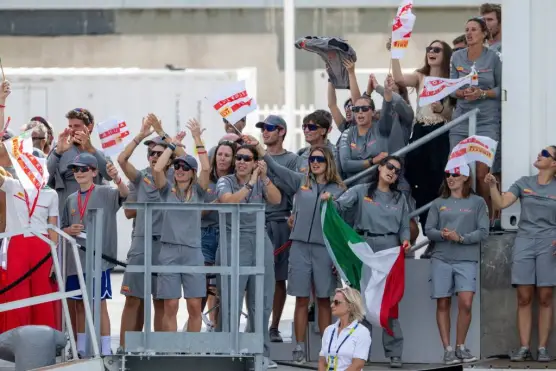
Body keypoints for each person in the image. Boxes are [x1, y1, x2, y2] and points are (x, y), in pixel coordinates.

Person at [251, 138, 345, 365]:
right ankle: (299, 347)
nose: (315, 163)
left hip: (324, 249)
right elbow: (277, 169)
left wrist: (333, 202)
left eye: (319, 159)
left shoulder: (339, 189)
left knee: (324, 300)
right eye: (312, 159)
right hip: (300, 247)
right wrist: (260, 150)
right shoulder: (301, 181)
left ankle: (327, 350)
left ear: (328, 162)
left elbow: (344, 219)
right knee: (301, 299)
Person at [323, 155, 410, 368]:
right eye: (389, 166)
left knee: (388, 303)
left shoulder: (400, 198)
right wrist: (328, 200)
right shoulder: (361, 190)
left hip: (388, 252)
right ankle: (362, 353)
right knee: (360, 303)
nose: (392, 172)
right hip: (364, 249)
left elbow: (404, 226)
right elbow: (340, 206)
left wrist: (406, 239)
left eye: (397, 170)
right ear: (380, 167)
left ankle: (394, 353)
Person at [485, 146, 556, 362]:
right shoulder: (524, 182)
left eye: (545, 154)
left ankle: (542, 349)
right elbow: (501, 203)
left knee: (545, 298)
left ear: (554, 163)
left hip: (549, 243)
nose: (539, 155)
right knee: (524, 297)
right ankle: (524, 348)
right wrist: (492, 186)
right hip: (524, 241)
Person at [216, 144, 281, 368]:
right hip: (233, 240)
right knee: (230, 300)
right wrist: (251, 182)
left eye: (247, 158)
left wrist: (264, 178)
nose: (242, 162)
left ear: (255, 162)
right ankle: (226, 351)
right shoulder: (226, 181)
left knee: (261, 300)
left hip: (259, 239)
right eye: (239, 158)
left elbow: (276, 199)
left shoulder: (260, 179)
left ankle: (259, 352)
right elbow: (228, 200)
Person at [116, 115, 177, 351]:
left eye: (159, 153)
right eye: (150, 153)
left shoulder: (177, 176)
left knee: (160, 300)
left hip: (165, 244)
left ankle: (159, 352)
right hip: (141, 244)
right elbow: (122, 159)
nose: (153, 156)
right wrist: (141, 134)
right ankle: (125, 351)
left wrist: (164, 135)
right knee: (132, 299)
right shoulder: (141, 177)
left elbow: (185, 157)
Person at [61, 154, 129, 357]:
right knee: (80, 305)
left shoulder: (106, 192)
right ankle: (81, 349)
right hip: (76, 261)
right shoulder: (71, 199)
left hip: (99, 261)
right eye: (75, 170)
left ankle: (106, 348)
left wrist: (117, 177)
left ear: (94, 172)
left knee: (100, 304)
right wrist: (68, 229)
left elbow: (125, 194)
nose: (79, 173)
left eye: (83, 169)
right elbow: (62, 227)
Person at [425, 165, 489, 365]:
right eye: (447, 174)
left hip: (466, 259)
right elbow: (428, 230)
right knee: (442, 302)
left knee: (466, 303)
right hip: (441, 257)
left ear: (465, 177)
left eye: (455, 174)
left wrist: (460, 238)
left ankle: (461, 346)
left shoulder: (477, 202)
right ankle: (448, 349)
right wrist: (444, 234)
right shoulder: (438, 203)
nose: (450, 178)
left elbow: (483, 231)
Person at [152, 119, 210, 333]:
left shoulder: (199, 191)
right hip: (169, 250)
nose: (180, 169)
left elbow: (206, 167)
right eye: (177, 166)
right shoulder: (166, 190)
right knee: (171, 304)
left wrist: (197, 138)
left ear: (192, 172)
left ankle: (192, 351)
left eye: (185, 167)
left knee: (194, 305)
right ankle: (170, 350)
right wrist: (171, 145)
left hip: (193, 251)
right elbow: (158, 168)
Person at [391, 39, 454, 231]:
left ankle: (434, 228)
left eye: (437, 49)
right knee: (415, 175)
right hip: (420, 131)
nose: (431, 52)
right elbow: (399, 79)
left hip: (440, 133)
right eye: (429, 48)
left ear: (445, 55)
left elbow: (452, 114)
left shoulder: (452, 78)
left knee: (437, 178)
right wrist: (395, 53)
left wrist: (441, 108)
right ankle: (425, 224)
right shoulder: (421, 76)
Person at [0, 158, 59, 334]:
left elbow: (53, 226)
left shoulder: (51, 193)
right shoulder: (12, 185)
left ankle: (46, 335)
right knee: (17, 290)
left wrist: (55, 257)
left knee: (43, 292)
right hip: (17, 243)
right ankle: (15, 336)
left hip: (42, 244)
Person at [450, 17, 502, 214]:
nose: (469, 33)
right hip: (462, 120)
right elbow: (451, 87)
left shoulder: (494, 57)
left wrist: (482, 93)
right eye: (466, 29)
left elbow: (501, 89)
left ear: (483, 34)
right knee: (458, 171)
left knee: (481, 173)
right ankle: (461, 216)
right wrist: (460, 92)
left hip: (487, 121)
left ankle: (486, 219)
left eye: (473, 29)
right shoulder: (456, 57)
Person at [255, 115, 298, 343]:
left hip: (280, 221)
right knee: (253, 276)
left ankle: (273, 327)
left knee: (278, 278)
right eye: (263, 128)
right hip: (255, 220)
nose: (265, 132)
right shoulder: (253, 155)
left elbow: (293, 186)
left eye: (269, 128)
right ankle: (256, 325)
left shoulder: (292, 159)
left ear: (281, 131)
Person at [47, 108, 113, 217]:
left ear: (89, 127)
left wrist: (91, 149)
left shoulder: (99, 154)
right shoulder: (60, 151)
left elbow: (109, 175)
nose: (72, 130)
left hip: (92, 213)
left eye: (77, 126)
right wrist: (58, 152)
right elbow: (44, 179)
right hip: (67, 215)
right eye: (70, 126)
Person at [201, 139, 237, 328]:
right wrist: (217, 203)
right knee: (201, 284)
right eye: (220, 154)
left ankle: (220, 327)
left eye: (227, 155)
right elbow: (198, 211)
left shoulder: (236, 179)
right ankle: (196, 325)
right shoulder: (206, 178)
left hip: (227, 233)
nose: (222, 159)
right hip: (205, 234)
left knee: (222, 284)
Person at [338, 75, 395, 185]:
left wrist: (387, 93)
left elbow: (387, 110)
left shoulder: (381, 128)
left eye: (364, 109)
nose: (360, 112)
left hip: (376, 187)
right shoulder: (347, 133)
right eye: (356, 109)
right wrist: (372, 161)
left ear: (373, 112)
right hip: (352, 188)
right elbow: (345, 165)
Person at [318, 287, 371, 371]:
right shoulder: (329, 330)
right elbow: (322, 361)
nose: (332, 305)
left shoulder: (362, 332)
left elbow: (357, 365)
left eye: (336, 302)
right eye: (332, 302)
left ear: (350, 306)